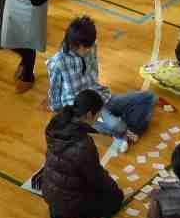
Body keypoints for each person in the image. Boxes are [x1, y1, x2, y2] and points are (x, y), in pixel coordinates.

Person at [46, 16, 157, 152]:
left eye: (89, 46)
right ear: (75, 44)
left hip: (100, 96)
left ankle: (126, 130)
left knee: (149, 97)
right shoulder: (58, 62)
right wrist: (65, 119)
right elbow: (55, 92)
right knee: (117, 125)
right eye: (85, 47)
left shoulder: (91, 46)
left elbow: (94, 73)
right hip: (84, 110)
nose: (88, 50)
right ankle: (121, 131)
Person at [38, 89, 123, 218]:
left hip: (48, 191)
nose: (98, 119)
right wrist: (114, 188)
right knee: (116, 199)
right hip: (71, 202)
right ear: (89, 114)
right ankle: (83, 216)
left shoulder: (57, 123)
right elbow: (96, 177)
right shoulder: (84, 145)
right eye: (98, 115)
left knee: (70, 175)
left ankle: (57, 210)